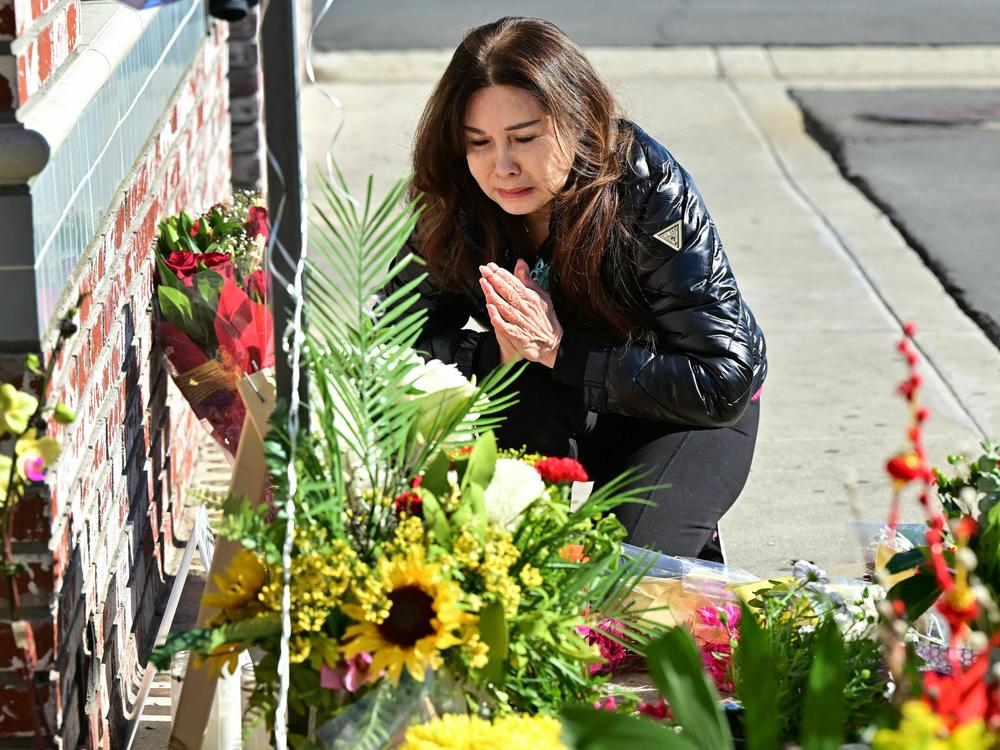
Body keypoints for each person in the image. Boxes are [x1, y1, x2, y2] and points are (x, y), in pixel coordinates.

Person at [384, 16, 767, 561]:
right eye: (479, 143)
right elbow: (391, 338)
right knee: (497, 559)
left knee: (624, 582)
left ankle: (677, 541)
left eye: (524, 138)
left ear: (579, 120)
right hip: (552, 400)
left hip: (685, 412)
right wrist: (499, 352)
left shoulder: (645, 188)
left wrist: (560, 351)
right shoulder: (457, 199)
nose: (503, 167)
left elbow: (723, 379)